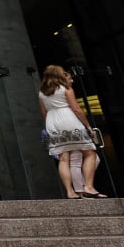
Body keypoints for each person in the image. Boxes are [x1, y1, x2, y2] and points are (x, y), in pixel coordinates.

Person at [39, 65, 106, 198]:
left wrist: (51, 127)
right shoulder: (66, 89)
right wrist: (88, 126)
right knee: (90, 154)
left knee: (64, 158)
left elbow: (44, 113)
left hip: (52, 124)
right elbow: (76, 109)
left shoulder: (41, 93)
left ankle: (70, 192)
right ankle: (88, 187)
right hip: (68, 121)